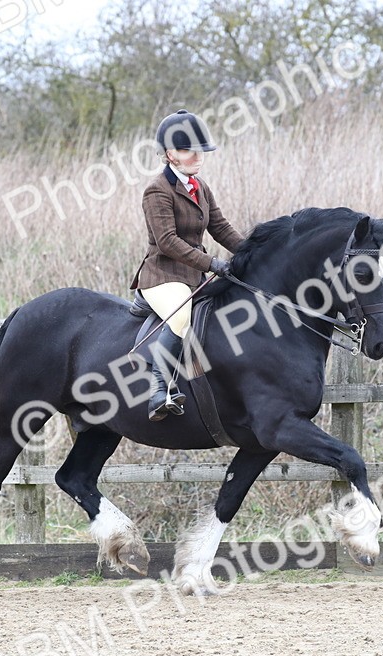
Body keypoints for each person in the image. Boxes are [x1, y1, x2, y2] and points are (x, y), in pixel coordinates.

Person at [131, 109, 245, 422]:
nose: (197, 156)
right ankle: (159, 391)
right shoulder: (157, 190)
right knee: (181, 315)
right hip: (162, 276)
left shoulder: (200, 186)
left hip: (195, 273)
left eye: (199, 150)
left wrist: (252, 252)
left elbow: (220, 227)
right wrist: (212, 263)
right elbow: (167, 241)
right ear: (170, 155)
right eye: (187, 151)